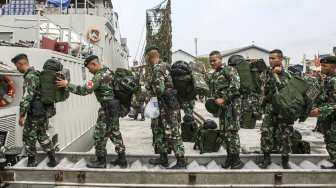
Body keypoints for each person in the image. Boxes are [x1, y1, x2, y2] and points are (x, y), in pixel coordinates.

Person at [56, 55, 127, 169]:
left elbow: (85, 90)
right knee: (115, 133)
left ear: (94, 64)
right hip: (115, 109)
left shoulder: (99, 76)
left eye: (89, 68)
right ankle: (122, 159)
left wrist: (67, 85)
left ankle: (101, 161)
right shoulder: (110, 72)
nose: (89, 71)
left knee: (99, 136)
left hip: (107, 110)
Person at [11, 53, 58, 167]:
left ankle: (31, 162)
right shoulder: (37, 74)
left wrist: (22, 115)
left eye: (17, 66)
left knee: (29, 136)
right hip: (42, 111)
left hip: (35, 113)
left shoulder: (30, 76)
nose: (17, 69)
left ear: (21, 63)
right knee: (42, 134)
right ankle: (53, 159)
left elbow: (27, 97)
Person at [145, 45, 186, 169]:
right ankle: (163, 159)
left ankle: (181, 162)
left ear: (148, 57)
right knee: (160, 133)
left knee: (172, 134)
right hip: (165, 107)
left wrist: (147, 89)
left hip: (167, 108)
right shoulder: (166, 65)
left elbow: (159, 90)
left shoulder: (158, 69)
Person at [208, 51, 244, 169]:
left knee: (232, 132)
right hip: (223, 108)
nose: (212, 63)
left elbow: (235, 86)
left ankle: (237, 160)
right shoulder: (214, 74)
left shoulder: (229, 69)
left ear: (220, 59)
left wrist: (224, 98)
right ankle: (229, 157)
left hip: (233, 106)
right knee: (224, 132)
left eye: (214, 60)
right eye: (211, 61)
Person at [258, 49, 293, 169]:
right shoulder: (268, 71)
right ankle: (266, 159)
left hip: (283, 109)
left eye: (273, 58)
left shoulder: (286, 73)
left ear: (281, 59)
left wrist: (276, 75)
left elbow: (285, 89)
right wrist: (263, 98)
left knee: (284, 135)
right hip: (270, 107)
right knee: (265, 132)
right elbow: (266, 86)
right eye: (270, 58)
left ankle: (285, 161)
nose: (271, 60)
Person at [310, 56, 336, 169]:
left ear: (334, 66)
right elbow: (324, 97)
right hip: (329, 117)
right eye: (322, 65)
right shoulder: (327, 79)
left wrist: (320, 110)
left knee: (333, 142)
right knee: (329, 140)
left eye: (325, 66)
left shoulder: (334, 81)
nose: (322, 68)